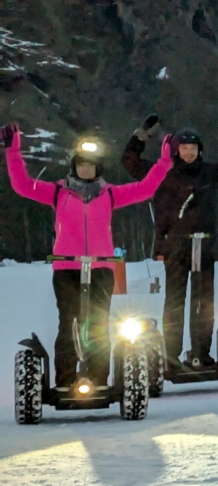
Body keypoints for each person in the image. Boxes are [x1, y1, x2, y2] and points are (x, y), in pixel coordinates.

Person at [1, 123, 172, 389]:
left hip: (101, 268)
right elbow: (23, 185)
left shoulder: (110, 194)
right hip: (67, 268)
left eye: (90, 166)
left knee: (99, 324)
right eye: (81, 165)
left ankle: (98, 379)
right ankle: (66, 382)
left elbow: (146, 188)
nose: (85, 169)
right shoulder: (58, 192)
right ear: (74, 167)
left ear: (97, 169)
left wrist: (164, 161)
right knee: (69, 322)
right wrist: (13, 152)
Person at [122, 116, 218, 369]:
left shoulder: (211, 173)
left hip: (204, 244)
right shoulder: (163, 173)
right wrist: (141, 136)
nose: (189, 153)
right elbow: (130, 162)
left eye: (193, 149)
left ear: (199, 151)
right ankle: (170, 355)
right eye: (184, 149)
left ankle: (201, 353)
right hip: (174, 244)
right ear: (175, 150)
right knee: (174, 301)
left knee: (203, 301)